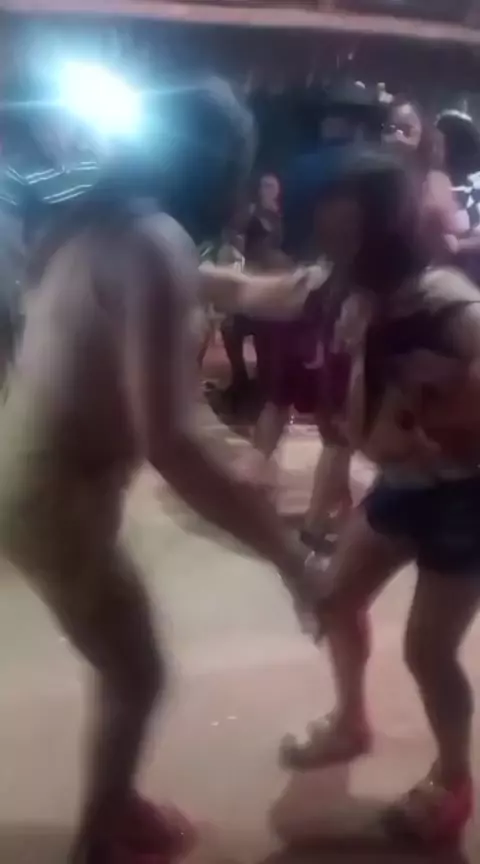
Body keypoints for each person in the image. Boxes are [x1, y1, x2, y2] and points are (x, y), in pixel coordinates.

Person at [0, 79, 319, 864]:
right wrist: (292, 560)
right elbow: (171, 444)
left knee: (123, 660)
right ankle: (102, 835)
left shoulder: (101, 222)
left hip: (33, 476)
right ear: (220, 167)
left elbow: (235, 287)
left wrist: (306, 286)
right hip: (53, 495)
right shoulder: (152, 242)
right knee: (136, 672)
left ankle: (116, 808)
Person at [282, 150, 480, 843]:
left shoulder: (443, 298)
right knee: (335, 600)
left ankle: (453, 780)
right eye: (325, 231)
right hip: (401, 484)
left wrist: (447, 412)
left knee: (428, 650)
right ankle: (350, 722)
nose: (330, 245)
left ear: (383, 228)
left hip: (465, 497)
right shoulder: (352, 289)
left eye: (345, 233)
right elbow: (262, 293)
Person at [383, 96, 460, 261]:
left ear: (423, 131)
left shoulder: (437, 182)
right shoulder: (372, 178)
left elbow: (449, 243)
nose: (397, 135)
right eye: (391, 128)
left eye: (406, 128)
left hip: (424, 266)